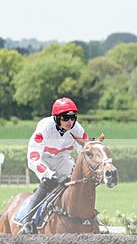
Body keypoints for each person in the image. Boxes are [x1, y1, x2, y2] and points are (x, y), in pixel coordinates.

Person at [13, 97, 89, 233]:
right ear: (56, 118)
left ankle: (89, 218)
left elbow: (85, 150)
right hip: (43, 160)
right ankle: (27, 222)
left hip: (62, 160)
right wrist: (49, 174)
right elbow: (33, 159)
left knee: (78, 183)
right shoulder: (45, 128)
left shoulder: (77, 129)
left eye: (72, 118)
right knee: (48, 183)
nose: (70, 122)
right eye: (65, 118)